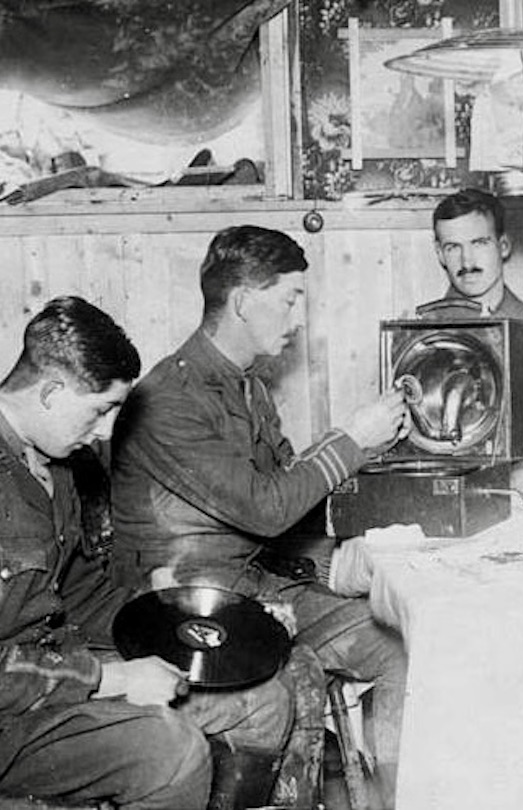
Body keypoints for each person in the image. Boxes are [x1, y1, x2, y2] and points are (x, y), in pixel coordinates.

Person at [0, 296, 323, 810]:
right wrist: (111, 678)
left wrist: (184, 622)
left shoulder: (52, 462)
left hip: (36, 681)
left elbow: (81, 596)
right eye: (101, 409)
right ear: (51, 392)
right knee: (169, 752)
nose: (105, 432)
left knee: (261, 700)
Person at [109, 225, 410, 808]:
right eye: (291, 299)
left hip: (257, 590)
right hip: (181, 606)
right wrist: (352, 440)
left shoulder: (249, 390)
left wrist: (329, 566)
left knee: (396, 647)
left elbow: (278, 509)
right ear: (244, 301)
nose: (299, 317)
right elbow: (266, 509)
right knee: (293, 676)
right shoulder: (169, 399)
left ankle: (391, 796)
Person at [423, 187, 523, 493]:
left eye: (479, 243)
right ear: (439, 254)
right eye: (452, 247)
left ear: (503, 245)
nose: (467, 259)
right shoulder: (419, 340)